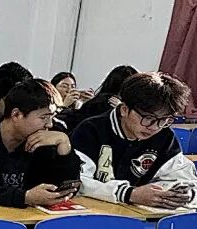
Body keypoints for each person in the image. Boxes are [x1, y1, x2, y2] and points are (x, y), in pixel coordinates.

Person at [0, 79, 81, 208]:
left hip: (22, 218)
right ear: (16, 115)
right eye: (44, 117)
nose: (49, 124)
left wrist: (65, 147)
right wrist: (24, 197)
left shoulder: (42, 141)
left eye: (52, 117)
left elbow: (65, 188)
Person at [72, 72, 197, 209]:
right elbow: (77, 181)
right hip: (92, 212)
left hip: (140, 214)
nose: (154, 127)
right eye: (148, 118)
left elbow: (183, 176)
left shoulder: (164, 135)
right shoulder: (91, 130)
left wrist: (184, 194)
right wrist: (128, 194)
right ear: (124, 110)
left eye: (164, 120)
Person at [56, 65, 137, 133]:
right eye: (64, 86)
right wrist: (64, 106)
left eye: (73, 86)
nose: (69, 90)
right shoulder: (106, 103)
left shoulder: (101, 101)